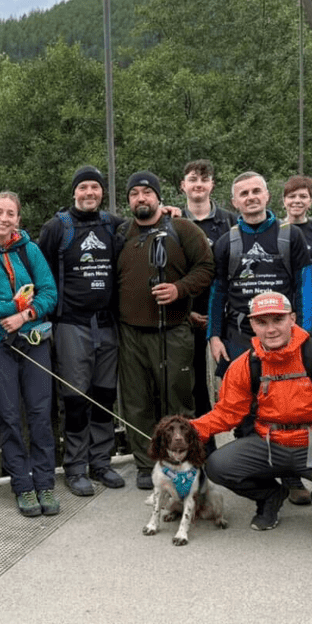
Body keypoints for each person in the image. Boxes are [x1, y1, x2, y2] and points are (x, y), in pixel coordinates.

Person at [192, 292, 312, 539]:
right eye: (262, 322)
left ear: (292, 319)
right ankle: (270, 497)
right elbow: (228, 412)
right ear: (252, 324)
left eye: (278, 320)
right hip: (269, 444)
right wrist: (190, 429)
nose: (271, 329)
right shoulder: (245, 364)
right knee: (218, 465)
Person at [0, 192, 61, 516]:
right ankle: (23, 485)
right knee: (8, 415)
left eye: (10, 214)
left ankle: (45, 482)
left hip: (33, 339)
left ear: (18, 219)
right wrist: (12, 307)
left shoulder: (29, 251)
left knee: (40, 412)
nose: (4, 219)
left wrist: (25, 314)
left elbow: (49, 292)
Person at [115, 171, 214, 489]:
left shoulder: (182, 228)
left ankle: (181, 461)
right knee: (137, 401)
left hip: (173, 330)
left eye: (146, 192)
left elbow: (206, 267)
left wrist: (179, 289)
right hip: (131, 332)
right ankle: (146, 464)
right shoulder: (120, 233)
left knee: (179, 399)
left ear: (159, 197)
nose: (140, 198)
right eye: (134, 194)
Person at [37, 166, 127, 497]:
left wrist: (169, 213)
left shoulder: (113, 226)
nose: (89, 192)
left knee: (104, 396)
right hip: (71, 324)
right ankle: (75, 466)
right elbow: (40, 271)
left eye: (95, 187)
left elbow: (147, 230)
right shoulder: (56, 228)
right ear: (74, 192)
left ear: (102, 192)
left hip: (107, 323)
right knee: (75, 398)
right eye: (83, 187)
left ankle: (101, 461)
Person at [207, 171, 312, 366]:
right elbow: (217, 293)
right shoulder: (225, 242)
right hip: (239, 335)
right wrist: (214, 336)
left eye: (256, 191)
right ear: (234, 202)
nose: (251, 197)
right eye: (244, 193)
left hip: (284, 334)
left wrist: (304, 332)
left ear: (267, 196)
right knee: (239, 395)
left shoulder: (291, 235)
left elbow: (305, 286)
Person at [179, 160, 237, 427]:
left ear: (212, 185)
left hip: (224, 316)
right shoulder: (173, 223)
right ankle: (204, 443)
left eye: (204, 179)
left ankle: (241, 441)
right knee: (194, 385)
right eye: (192, 179)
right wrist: (184, 310)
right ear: (183, 186)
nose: (198, 184)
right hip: (185, 316)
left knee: (233, 380)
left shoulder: (230, 222)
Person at [282, 174, 312, 336]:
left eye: (303, 196)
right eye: (291, 196)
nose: (297, 200)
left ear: (310, 201)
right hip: (284, 306)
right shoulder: (275, 231)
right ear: (284, 201)